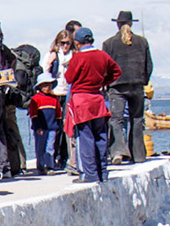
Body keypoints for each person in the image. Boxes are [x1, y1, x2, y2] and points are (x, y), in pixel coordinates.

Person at [62, 27, 120, 183]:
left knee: (85, 138)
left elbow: (69, 78)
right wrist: (103, 82)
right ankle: (102, 172)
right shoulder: (102, 55)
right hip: (98, 98)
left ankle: (89, 174)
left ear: (77, 43)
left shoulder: (79, 58)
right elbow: (116, 71)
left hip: (82, 100)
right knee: (100, 136)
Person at [100, 10, 152, 163]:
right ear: (131, 23)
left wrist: (107, 83)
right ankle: (139, 155)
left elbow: (106, 67)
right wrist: (143, 80)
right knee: (136, 119)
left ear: (117, 24)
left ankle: (118, 152)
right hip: (136, 85)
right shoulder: (142, 42)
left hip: (117, 87)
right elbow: (149, 66)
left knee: (116, 119)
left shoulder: (109, 43)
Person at [47, 24, 78, 173]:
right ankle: (53, 157)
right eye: (62, 43)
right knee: (55, 128)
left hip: (68, 94)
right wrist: (49, 62)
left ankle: (66, 157)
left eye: (67, 43)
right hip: (54, 94)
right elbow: (45, 75)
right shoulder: (52, 55)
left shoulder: (74, 55)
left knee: (68, 126)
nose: (65, 46)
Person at [27, 79, 62, 175]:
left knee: (50, 147)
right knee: (40, 147)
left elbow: (58, 114)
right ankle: (41, 166)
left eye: (49, 85)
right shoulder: (36, 99)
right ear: (40, 87)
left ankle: (50, 166)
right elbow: (33, 115)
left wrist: (58, 127)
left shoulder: (54, 99)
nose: (47, 88)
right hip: (41, 128)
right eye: (45, 85)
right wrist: (37, 127)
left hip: (52, 127)